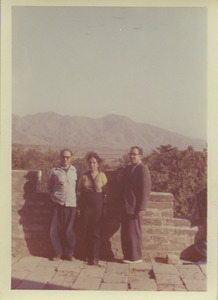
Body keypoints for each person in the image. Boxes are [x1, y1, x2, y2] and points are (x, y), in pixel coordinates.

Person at [121, 146, 151, 263]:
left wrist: (142, 207)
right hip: (126, 205)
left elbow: (145, 189)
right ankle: (128, 256)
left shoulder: (143, 169)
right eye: (131, 154)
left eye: (135, 154)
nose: (132, 156)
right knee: (126, 233)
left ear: (140, 156)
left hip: (135, 207)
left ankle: (136, 257)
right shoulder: (130, 168)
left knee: (134, 233)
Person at [47, 149, 78, 261]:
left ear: (71, 158)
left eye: (68, 157)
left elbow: (78, 188)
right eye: (63, 156)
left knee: (69, 230)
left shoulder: (75, 171)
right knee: (53, 230)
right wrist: (54, 197)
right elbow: (49, 186)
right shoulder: (54, 171)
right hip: (57, 204)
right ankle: (57, 253)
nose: (65, 159)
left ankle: (69, 253)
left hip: (71, 204)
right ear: (60, 157)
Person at [77, 152, 108, 266]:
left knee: (96, 230)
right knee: (86, 229)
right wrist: (78, 207)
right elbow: (79, 191)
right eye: (90, 163)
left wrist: (104, 208)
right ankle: (87, 254)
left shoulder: (102, 176)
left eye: (94, 163)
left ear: (98, 164)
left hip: (97, 204)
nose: (92, 165)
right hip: (85, 204)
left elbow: (106, 193)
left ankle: (95, 257)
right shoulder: (84, 176)